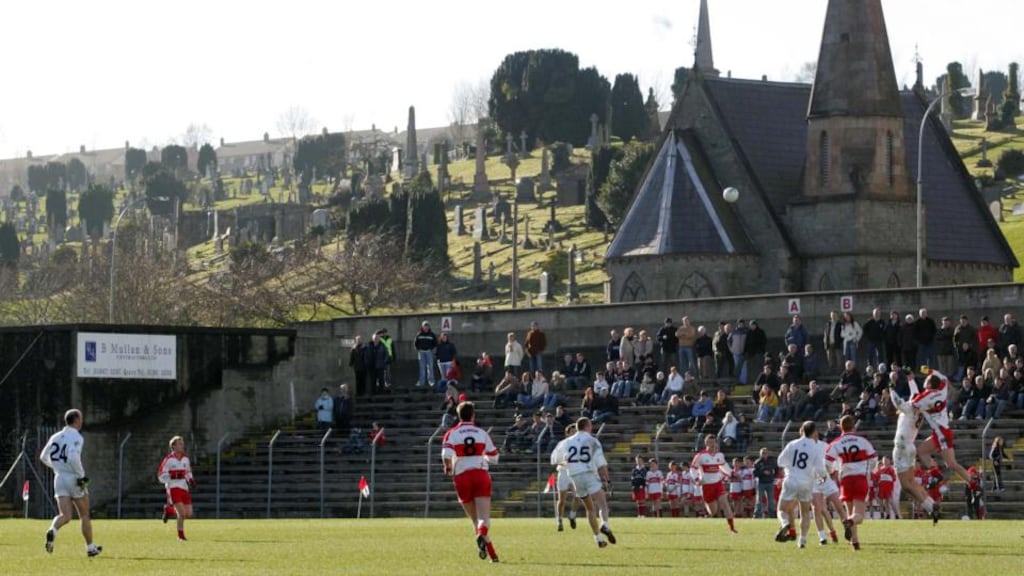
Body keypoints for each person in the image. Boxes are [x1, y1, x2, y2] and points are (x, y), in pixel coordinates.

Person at [441, 401, 500, 562]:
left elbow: (446, 454)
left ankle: (492, 555)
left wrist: (447, 467)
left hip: (461, 475)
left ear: (459, 415)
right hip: (480, 473)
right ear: (473, 415)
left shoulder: (452, 433)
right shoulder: (481, 433)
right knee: (484, 519)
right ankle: (485, 541)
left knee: (474, 519)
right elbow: (495, 458)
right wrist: (483, 456)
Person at [39, 408, 102, 557]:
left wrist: (57, 467)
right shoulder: (77, 437)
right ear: (76, 420)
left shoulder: (56, 436)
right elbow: (73, 457)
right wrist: (81, 476)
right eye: (81, 418)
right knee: (84, 514)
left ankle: (52, 530)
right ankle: (90, 547)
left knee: (65, 515)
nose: (82, 421)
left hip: (59, 477)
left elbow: (43, 456)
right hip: (74, 478)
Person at [559, 417, 616, 547]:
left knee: (590, 509)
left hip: (575, 477)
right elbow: (601, 464)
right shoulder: (592, 441)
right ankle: (605, 525)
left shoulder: (567, 442)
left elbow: (564, 460)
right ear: (587, 426)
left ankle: (598, 539)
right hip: (589, 474)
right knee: (602, 504)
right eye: (590, 425)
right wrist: (607, 479)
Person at [825, 415, 877, 550]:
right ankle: (850, 523)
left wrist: (832, 472)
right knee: (858, 515)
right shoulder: (863, 441)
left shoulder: (836, 442)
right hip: (860, 478)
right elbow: (873, 460)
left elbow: (827, 461)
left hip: (846, 479)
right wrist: (867, 470)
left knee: (850, 511)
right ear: (854, 426)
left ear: (840, 427)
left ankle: (855, 543)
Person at [913, 368, 972, 487]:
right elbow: (943, 377)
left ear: (929, 384)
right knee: (921, 451)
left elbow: (912, 404)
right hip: (942, 431)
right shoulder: (942, 390)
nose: (925, 380)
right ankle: (936, 475)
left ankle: (972, 482)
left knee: (951, 464)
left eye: (927, 379)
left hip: (941, 433)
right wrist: (930, 371)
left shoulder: (924, 397)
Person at [775, 421, 827, 548]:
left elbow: (780, 462)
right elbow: (820, 469)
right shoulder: (815, 447)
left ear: (802, 430)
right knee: (804, 513)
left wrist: (790, 465)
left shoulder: (792, 444)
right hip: (806, 482)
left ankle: (785, 523)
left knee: (781, 509)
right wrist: (823, 477)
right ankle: (802, 541)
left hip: (791, 479)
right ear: (814, 432)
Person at [691, 434, 738, 533]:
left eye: (714, 442)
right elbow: (693, 469)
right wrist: (697, 479)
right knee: (713, 512)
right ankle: (705, 512)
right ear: (706, 443)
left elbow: (724, 466)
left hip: (718, 484)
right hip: (707, 486)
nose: (713, 445)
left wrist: (731, 473)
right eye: (710, 442)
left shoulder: (719, 455)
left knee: (725, 504)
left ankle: (732, 528)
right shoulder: (700, 456)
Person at [157, 435, 195, 541]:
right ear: (173, 447)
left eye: (182, 443)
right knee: (182, 514)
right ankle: (180, 536)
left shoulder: (185, 459)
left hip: (184, 488)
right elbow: (160, 476)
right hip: (173, 488)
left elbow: (188, 471)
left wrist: (191, 480)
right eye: (179, 444)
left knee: (189, 513)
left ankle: (169, 510)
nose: (182, 445)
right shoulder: (168, 460)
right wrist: (172, 477)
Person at [549, 423, 581, 531]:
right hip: (564, 472)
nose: (574, 434)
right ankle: (559, 521)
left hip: (576, 473)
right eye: (572, 432)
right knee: (562, 499)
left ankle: (572, 515)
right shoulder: (562, 444)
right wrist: (564, 462)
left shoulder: (579, 444)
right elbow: (554, 459)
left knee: (579, 496)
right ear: (567, 434)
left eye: (575, 432)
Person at [753, 447, 778, 519]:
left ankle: (772, 514)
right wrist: (762, 472)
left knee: (770, 499)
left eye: (765, 453)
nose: (764, 454)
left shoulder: (772, 461)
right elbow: (755, 473)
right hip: (761, 483)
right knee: (759, 499)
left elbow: (776, 469)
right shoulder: (757, 462)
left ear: (768, 453)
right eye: (763, 453)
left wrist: (773, 476)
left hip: (770, 482)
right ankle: (757, 514)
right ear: (760, 454)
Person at [415, 320, 438, 389]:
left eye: (427, 326)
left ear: (429, 327)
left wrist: (431, 348)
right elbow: (415, 343)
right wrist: (418, 349)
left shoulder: (432, 334)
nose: (426, 327)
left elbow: (435, 343)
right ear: (422, 327)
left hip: (429, 352)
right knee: (422, 368)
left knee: (430, 367)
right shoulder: (419, 334)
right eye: (425, 326)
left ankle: (431, 381)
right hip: (421, 352)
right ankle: (421, 382)